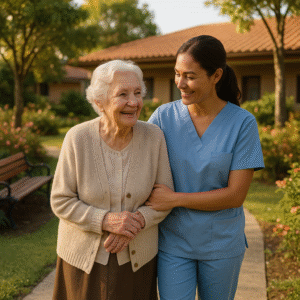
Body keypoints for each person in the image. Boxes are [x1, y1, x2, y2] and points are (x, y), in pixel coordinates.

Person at [146, 35, 264, 300]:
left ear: (216, 75)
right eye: (177, 74)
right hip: (173, 244)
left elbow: (235, 195)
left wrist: (174, 199)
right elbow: (135, 160)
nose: (180, 83)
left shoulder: (243, 124)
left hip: (221, 245)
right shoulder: (163, 118)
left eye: (190, 76)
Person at [50, 60, 173, 300]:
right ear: (99, 102)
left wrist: (132, 224)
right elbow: (61, 200)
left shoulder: (154, 137)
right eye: (123, 94)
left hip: (138, 261)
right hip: (84, 261)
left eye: (138, 93)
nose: (134, 102)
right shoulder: (77, 138)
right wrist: (105, 220)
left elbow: (165, 197)